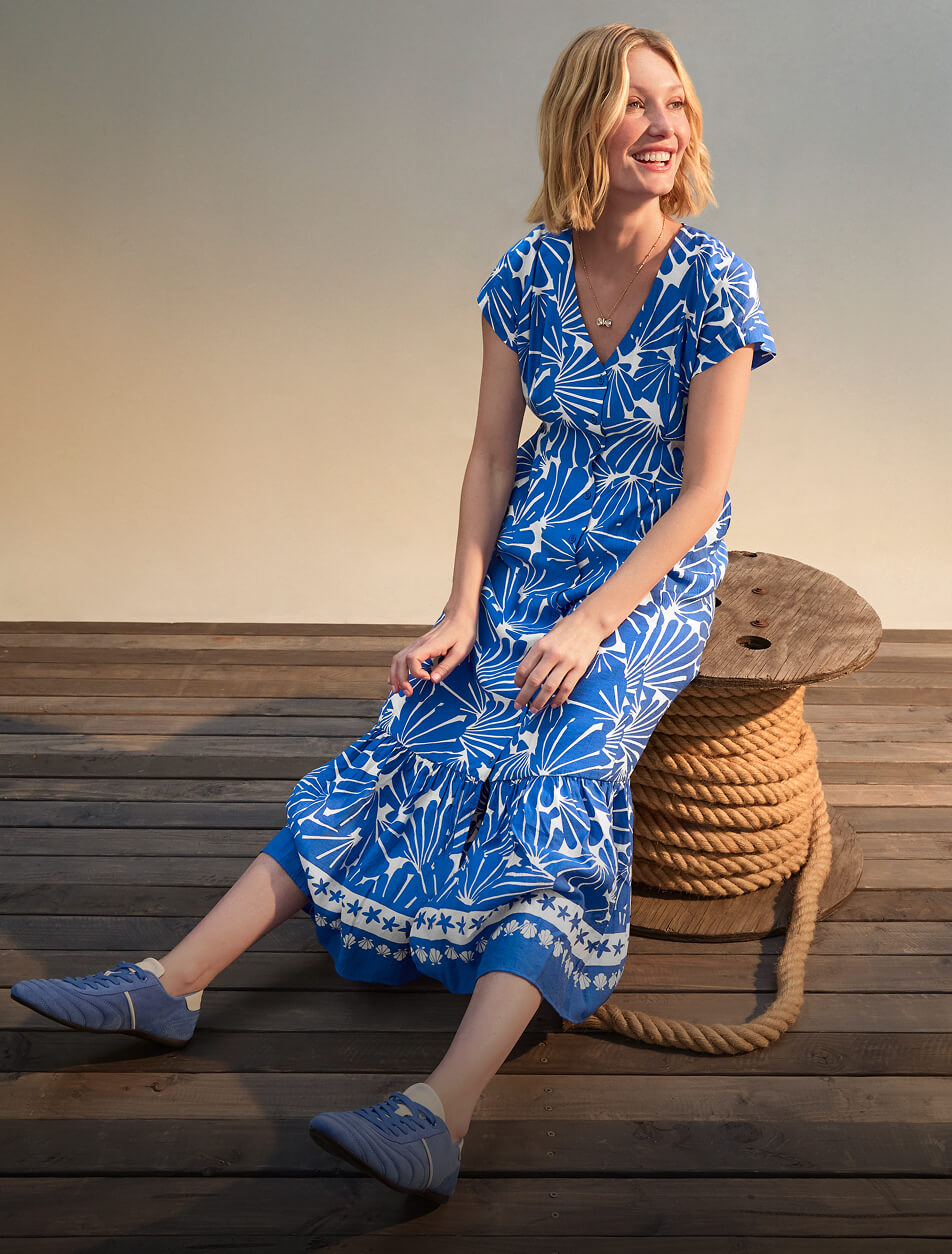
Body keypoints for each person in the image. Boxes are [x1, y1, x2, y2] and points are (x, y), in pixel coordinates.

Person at [11, 22, 776, 1204]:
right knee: (408, 735)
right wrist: (460, 609)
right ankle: (171, 985)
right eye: (635, 105)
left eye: (676, 104)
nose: (664, 127)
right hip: (527, 552)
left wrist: (590, 627)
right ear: (585, 122)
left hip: (648, 577)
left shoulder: (712, 279)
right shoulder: (525, 273)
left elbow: (702, 494)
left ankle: (440, 1113)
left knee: (565, 767)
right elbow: (486, 459)